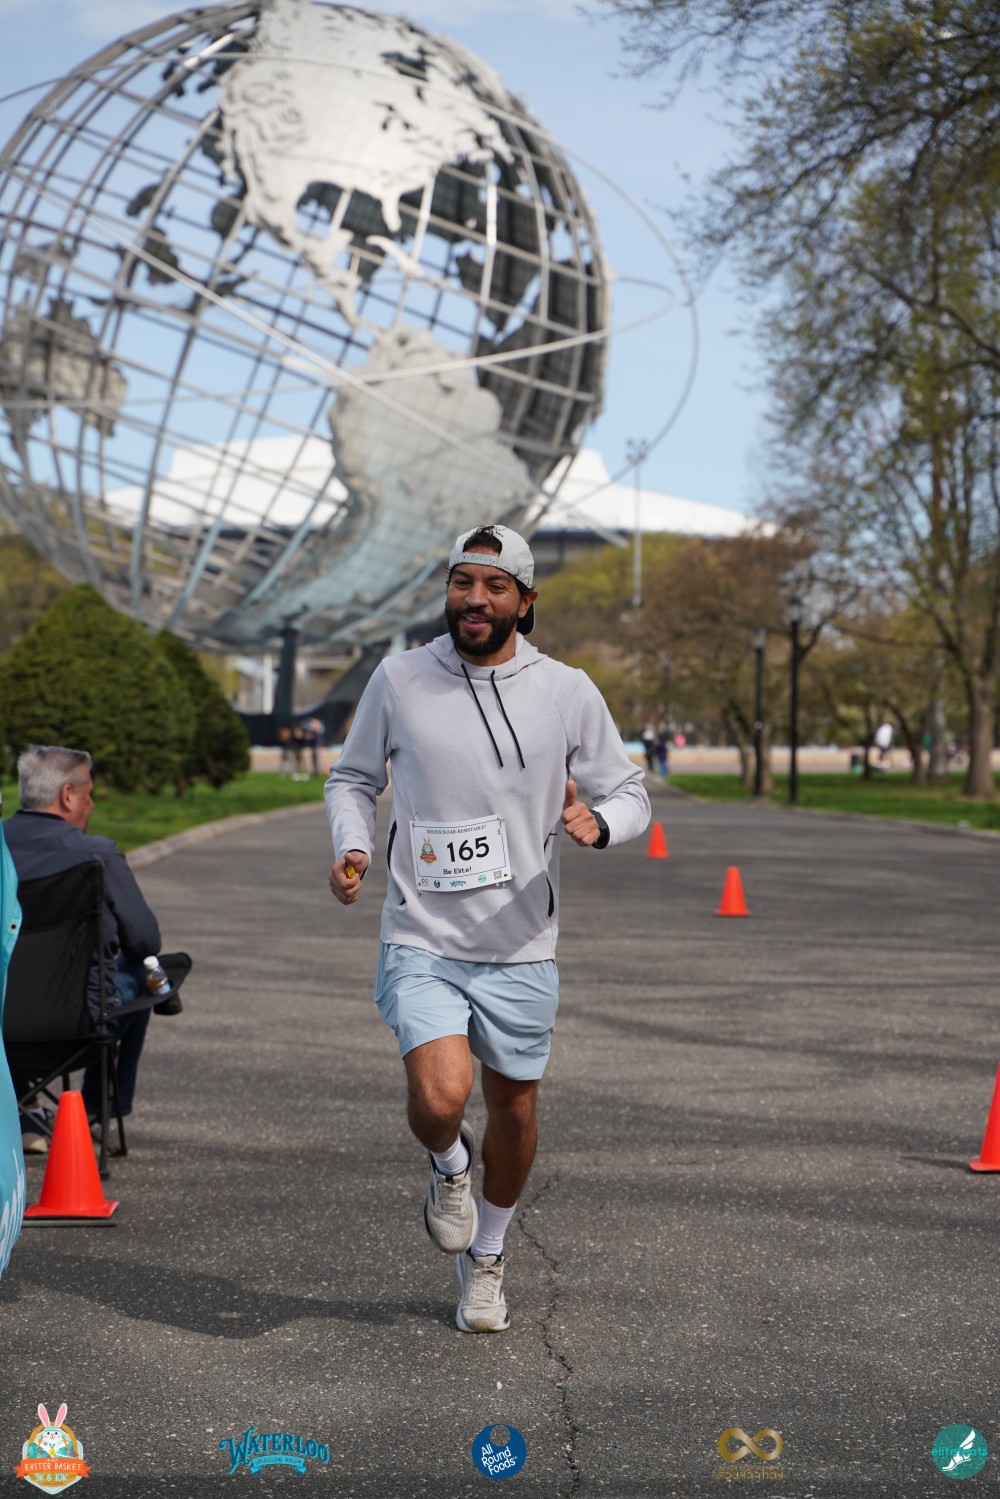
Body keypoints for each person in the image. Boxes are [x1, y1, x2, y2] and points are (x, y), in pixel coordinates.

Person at [326, 524, 650, 1334]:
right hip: (422, 932)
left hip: (520, 942)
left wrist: (602, 822)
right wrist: (353, 844)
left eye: (495, 586)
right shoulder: (400, 678)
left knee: (514, 1110)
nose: (475, 599)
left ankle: (489, 1257)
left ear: (525, 601)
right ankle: (448, 1163)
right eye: (462, 582)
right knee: (441, 1099)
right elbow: (353, 777)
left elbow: (630, 791)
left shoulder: (566, 690)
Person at [4, 746, 163, 1153]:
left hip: (2, 1027)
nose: (91, 804)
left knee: (14, 972)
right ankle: (96, 1110)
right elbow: (144, 941)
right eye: (89, 793)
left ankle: (24, 1111)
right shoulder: (96, 854)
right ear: (68, 795)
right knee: (147, 975)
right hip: (80, 1026)